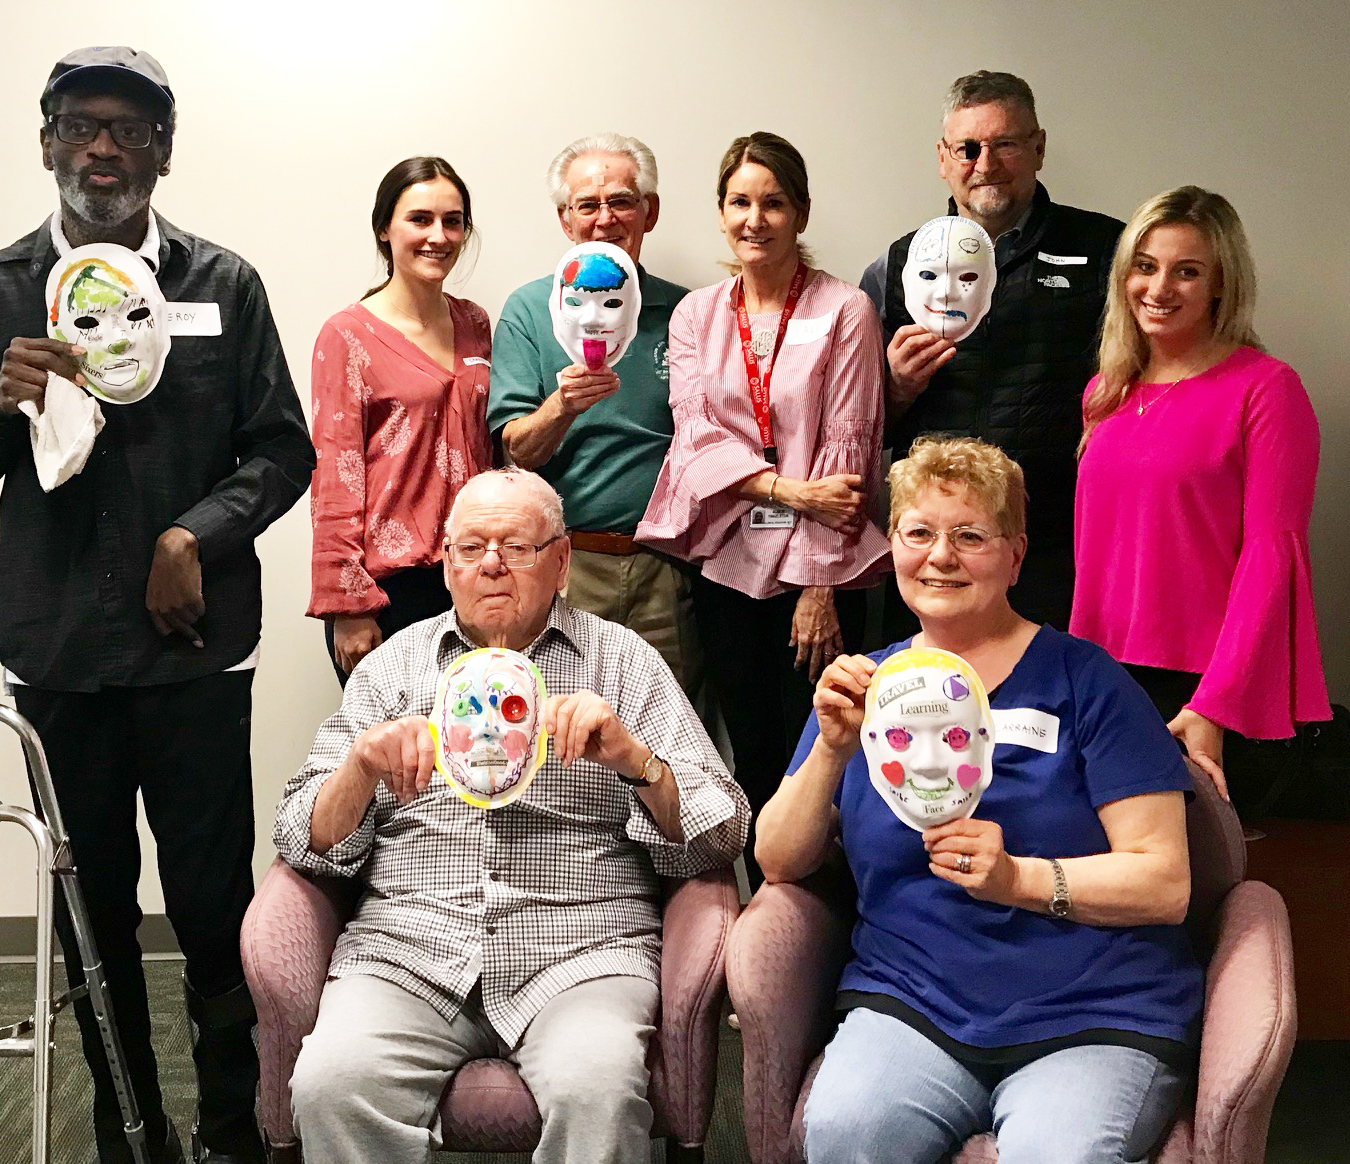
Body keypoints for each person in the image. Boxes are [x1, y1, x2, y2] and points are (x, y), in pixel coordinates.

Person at [0, 47, 314, 1164]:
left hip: (194, 659)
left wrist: (196, 532)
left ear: (163, 153)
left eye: (128, 131)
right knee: (95, 926)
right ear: (46, 143)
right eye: (81, 126)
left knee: (211, 908)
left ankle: (234, 1129)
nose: (101, 149)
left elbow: (283, 449)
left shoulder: (222, 286)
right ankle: (133, 1138)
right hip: (58, 661)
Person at [274, 468, 749, 1164]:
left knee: (601, 1089)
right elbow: (300, 838)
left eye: (515, 547)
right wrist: (361, 768)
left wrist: (635, 758)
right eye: (470, 548)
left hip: (583, 949)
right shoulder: (392, 669)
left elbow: (725, 831)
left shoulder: (624, 663)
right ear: (446, 566)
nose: (490, 563)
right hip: (412, 947)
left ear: (560, 563)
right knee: (329, 1083)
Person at [757, 437, 1203, 1164]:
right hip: (913, 1002)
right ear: (893, 545)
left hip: (1090, 1010)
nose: (941, 556)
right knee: (844, 1136)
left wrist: (1018, 879)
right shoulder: (864, 687)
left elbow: (1166, 880)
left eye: (970, 536)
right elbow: (778, 858)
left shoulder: (1087, 682)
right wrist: (834, 747)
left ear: (1016, 555)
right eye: (919, 533)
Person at [637, 132, 890, 884]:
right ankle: (764, 924)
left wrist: (820, 589)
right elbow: (695, 439)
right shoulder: (697, 316)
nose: (757, 218)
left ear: (801, 212)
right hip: (726, 563)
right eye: (741, 202)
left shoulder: (846, 310)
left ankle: (826, 928)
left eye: (773, 202)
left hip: (818, 576)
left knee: (821, 756)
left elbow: (849, 453)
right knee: (748, 750)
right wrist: (787, 490)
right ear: (721, 214)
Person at [1071, 186, 1330, 809]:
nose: (1159, 289)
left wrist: (1215, 703)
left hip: (1204, 685)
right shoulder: (1106, 392)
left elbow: (1273, 560)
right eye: (1145, 265)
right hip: (1105, 678)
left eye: (1187, 271)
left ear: (1221, 284)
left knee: (1190, 886)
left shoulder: (1267, 390)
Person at [861, 71, 1124, 634]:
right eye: (968, 147)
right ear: (942, 157)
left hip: (1059, 544)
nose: (986, 163)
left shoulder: (1107, 251)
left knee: (1047, 714)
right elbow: (851, 430)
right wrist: (895, 387)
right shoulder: (896, 266)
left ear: (1039, 148)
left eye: (1005, 143)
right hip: (934, 546)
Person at [487, 133, 701, 697]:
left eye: (622, 201)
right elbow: (516, 452)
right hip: (565, 565)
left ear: (649, 213)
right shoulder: (530, 310)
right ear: (565, 220)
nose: (605, 219)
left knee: (667, 733)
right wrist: (563, 404)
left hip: (667, 567)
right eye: (588, 205)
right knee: (558, 737)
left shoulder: (688, 310)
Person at [308, 157, 492, 684]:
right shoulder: (347, 335)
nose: (438, 235)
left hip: (473, 575)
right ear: (384, 229)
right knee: (401, 761)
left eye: (452, 221)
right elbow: (333, 476)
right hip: (388, 589)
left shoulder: (475, 323)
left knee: (476, 757)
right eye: (420, 219)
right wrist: (348, 604)